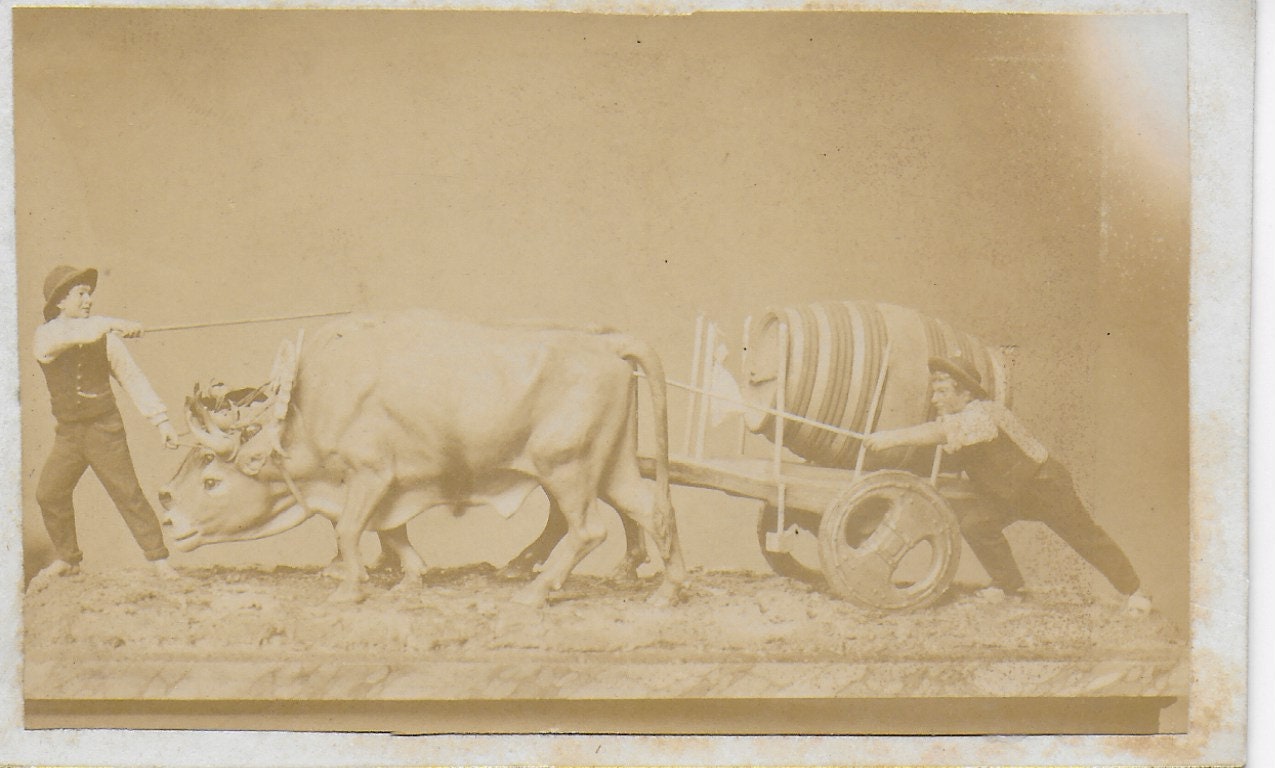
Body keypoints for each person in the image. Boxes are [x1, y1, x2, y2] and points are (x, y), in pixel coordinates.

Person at [863, 355, 1153, 616]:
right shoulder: (962, 418)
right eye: (934, 392)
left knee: (1084, 536)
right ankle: (1011, 588)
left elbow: (938, 433)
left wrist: (890, 438)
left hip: (1043, 486)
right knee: (977, 524)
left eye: (942, 392)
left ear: (964, 392)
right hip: (1011, 492)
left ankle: (1135, 592)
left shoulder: (981, 414)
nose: (935, 399)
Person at [30, 265, 181, 584]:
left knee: (128, 494)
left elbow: (133, 379)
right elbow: (72, 337)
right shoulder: (47, 335)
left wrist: (162, 421)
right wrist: (116, 324)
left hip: (104, 429)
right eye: (80, 294)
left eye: (89, 294)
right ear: (60, 301)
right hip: (69, 435)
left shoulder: (105, 338)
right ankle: (69, 560)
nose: (88, 300)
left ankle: (160, 560)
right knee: (49, 493)